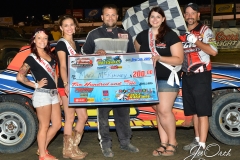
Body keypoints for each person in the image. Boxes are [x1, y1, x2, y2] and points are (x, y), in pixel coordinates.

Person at [81, 4, 139, 158]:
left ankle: (125, 142)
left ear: (117, 17)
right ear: (102, 17)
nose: (110, 18)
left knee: (123, 115)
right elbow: (83, 54)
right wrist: (95, 54)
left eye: (113, 15)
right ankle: (106, 145)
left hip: (121, 83)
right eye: (107, 15)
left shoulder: (125, 34)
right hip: (102, 84)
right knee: (103, 117)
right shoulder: (93, 34)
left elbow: (132, 57)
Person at [134, 6, 183, 157]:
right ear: (148, 20)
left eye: (158, 17)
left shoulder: (170, 35)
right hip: (149, 79)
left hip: (168, 77)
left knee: (164, 110)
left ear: (163, 19)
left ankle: (172, 142)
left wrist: (159, 58)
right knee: (158, 111)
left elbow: (179, 59)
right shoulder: (142, 35)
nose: (154, 19)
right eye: (152, 17)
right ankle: (163, 143)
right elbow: (136, 52)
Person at [179, 2, 218, 157]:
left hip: (201, 74)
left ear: (198, 15)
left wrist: (196, 41)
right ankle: (196, 140)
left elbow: (213, 51)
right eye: (187, 13)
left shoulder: (205, 30)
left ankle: (202, 147)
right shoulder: (180, 32)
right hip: (186, 75)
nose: (189, 16)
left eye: (192, 13)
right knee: (194, 111)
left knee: (202, 112)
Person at [16, 28, 61, 160]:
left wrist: (58, 92)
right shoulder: (32, 58)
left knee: (57, 124)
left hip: (53, 95)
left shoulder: (50, 55)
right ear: (34, 40)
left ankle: (42, 148)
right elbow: (20, 77)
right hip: (42, 95)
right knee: (44, 126)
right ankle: (42, 155)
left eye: (45, 38)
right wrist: (35, 85)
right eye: (39, 38)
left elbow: (55, 74)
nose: (42, 40)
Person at [56, 14, 87, 160]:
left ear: (75, 27)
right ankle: (67, 150)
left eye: (71, 25)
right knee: (69, 118)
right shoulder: (62, 44)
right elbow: (62, 66)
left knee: (83, 116)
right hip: (67, 85)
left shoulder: (76, 45)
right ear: (61, 28)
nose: (69, 28)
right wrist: (66, 83)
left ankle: (73, 147)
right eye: (66, 25)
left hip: (78, 85)